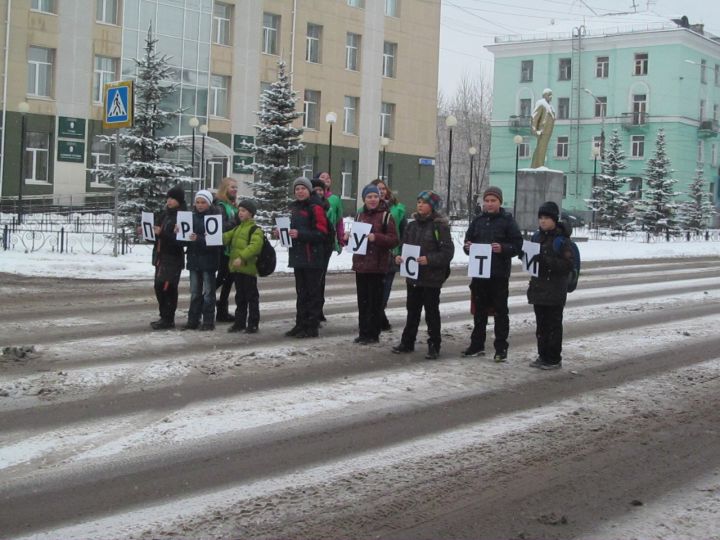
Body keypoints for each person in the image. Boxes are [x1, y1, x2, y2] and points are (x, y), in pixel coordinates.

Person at [391, 190, 455, 360]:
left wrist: (429, 259)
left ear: (432, 206)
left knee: (431, 312)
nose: (420, 205)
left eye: (424, 202)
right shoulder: (411, 226)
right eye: (418, 201)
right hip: (413, 276)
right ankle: (407, 341)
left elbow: (447, 252)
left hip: (432, 278)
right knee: (412, 310)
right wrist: (398, 257)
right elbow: (403, 246)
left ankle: (434, 344)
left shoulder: (439, 226)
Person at [462, 186, 523, 362]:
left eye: (493, 201)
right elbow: (468, 241)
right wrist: (467, 247)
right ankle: (477, 344)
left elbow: (517, 245)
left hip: (498, 274)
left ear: (500, 202)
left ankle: (501, 348)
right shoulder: (478, 220)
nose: (489, 204)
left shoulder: (507, 221)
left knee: (500, 312)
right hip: (479, 274)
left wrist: (503, 248)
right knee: (479, 312)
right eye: (487, 200)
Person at [346, 184, 398, 344]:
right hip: (361, 265)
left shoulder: (386, 216)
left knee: (375, 303)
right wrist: (347, 237)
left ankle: (373, 334)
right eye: (369, 197)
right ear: (364, 199)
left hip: (378, 266)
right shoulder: (359, 216)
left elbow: (394, 240)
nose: (373, 199)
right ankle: (363, 332)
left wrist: (376, 238)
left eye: (375, 196)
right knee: (362, 301)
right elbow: (355, 241)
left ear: (380, 197)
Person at [527, 201, 575, 370]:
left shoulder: (562, 241)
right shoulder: (536, 237)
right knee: (541, 326)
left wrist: (545, 260)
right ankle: (543, 355)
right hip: (538, 289)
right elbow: (531, 261)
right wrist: (524, 256)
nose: (543, 221)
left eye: (546, 218)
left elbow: (567, 265)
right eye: (540, 218)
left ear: (554, 219)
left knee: (553, 325)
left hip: (555, 290)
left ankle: (554, 358)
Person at [283, 177, 330, 338]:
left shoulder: (315, 207)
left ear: (309, 190)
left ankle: (311, 327)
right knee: (301, 293)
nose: (299, 191)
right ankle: (300, 324)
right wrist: (283, 233)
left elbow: (322, 233)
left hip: (313, 257)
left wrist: (300, 234)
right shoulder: (294, 208)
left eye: (302, 188)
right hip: (298, 256)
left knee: (312, 293)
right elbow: (292, 230)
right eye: (297, 189)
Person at [223, 199, 264, 334]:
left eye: (243, 211)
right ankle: (239, 322)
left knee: (251, 297)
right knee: (240, 297)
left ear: (251, 214)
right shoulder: (238, 228)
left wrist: (242, 257)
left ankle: (253, 323)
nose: (240, 213)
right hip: (238, 269)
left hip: (248, 269)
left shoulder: (255, 229)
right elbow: (225, 237)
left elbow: (255, 247)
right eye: (239, 210)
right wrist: (211, 234)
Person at [183, 189, 221, 331]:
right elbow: (184, 240)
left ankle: (208, 321)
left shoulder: (214, 218)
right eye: (197, 202)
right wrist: (178, 232)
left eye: (203, 202)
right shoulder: (190, 218)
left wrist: (198, 239)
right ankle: (193, 320)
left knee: (209, 293)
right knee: (194, 292)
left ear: (209, 203)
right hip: (194, 260)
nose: (200, 205)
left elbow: (215, 242)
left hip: (209, 262)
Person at [371, 178, 406, 332]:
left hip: (392, 253)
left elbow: (404, 232)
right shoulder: (365, 210)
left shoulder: (398, 209)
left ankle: (379, 317)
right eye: (377, 189)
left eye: (383, 188)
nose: (381, 191)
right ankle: (380, 319)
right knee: (374, 289)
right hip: (372, 255)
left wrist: (402, 250)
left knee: (384, 289)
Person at [150, 185, 186, 330]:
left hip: (172, 258)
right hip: (161, 256)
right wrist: (148, 232)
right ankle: (163, 316)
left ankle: (168, 318)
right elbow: (157, 236)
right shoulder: (165, 215)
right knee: (158, 287)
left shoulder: (182, 217)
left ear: (179, 200)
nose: (169, 201)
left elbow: (181, 241)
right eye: (168, 198)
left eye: (172, 198)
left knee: (167, 288)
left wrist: (162, 234)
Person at [316, 171, 345, 323]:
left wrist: (340, 240)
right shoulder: (310, 199)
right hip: (312, 242)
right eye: (322, 177)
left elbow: (339, 221)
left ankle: (319, 308)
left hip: (326, 242)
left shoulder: (334, 200)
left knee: (320, 277)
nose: (326, 179)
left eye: (328, 177)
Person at [214, 177, 239, 323]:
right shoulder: (221, 206)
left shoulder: (234, 206)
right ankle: (204, 300)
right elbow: (221, 227)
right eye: (231, 187)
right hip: (224, 249)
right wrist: (236, 221)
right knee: (222, 279)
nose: (235, 190)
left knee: (228, 281)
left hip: (232, 249)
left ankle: (222, 310)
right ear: (225, 189)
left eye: (236, 187)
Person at [531, 88, 556, 168]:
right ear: (545, 95)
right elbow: (534, 117)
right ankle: (537, 166)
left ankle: (537, 166)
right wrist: (534, 130)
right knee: (540, 148)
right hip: (542, 131)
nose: (551, 97)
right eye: (549, 95)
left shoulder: (550, 106)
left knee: (542, 148)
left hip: (548, 132)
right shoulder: (541, 103)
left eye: (551, 95)